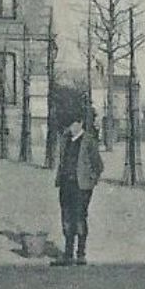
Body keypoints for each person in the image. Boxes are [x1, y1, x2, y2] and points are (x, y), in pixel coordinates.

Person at [52, 113, 104, 267]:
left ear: (80, 123)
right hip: (66, 185)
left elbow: (98, 165)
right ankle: (68, 254)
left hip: (82, 187)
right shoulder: (65, 140)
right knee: (66, 218)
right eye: (69, 126)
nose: (71, 128)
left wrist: (91, 180)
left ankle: (81, 254)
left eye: (74, 125)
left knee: (80, 217)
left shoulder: (88, 141)